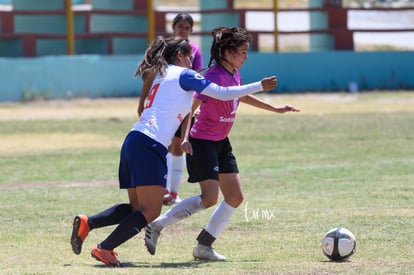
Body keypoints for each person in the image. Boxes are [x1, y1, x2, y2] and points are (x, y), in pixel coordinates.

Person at [70, 35, 278, 267]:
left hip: (133, 140)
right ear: (180, 55)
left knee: (138, 208)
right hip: (150, 145)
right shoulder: (184, 74)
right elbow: (221, 92)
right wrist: (260, 86)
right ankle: (105, 248)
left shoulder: (162, 74)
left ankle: (88, 223)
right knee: (150, 210)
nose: (192, 61)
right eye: (189, 56)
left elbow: (172, 107)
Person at [144, 27, 300, 261]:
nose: (246, 57)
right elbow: (190, 108)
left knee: (235, 197)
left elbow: (238, 94)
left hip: (221, 141)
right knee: (209, 198)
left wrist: (275, 109)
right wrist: (184, 138)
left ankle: (203, 247)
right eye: (243, 52)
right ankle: (156, 226)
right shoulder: (212, 76)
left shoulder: (233, 71)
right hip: (201, 141)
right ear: (227, 52)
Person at [138, 13, 204, 205]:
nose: (182, 30)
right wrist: (142, 102)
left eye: (186, 27)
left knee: (177, 147)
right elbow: (149, 76)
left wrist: (195, 107)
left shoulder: (194, 51)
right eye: (179, 26)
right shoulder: (165, 49)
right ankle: (163, 189)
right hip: (163, 107)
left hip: (183, 106)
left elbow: (196, 80)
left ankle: (173, 192)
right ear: (173, 28)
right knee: (163, 146)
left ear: (191, 30)